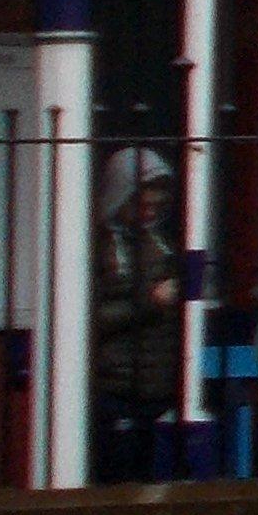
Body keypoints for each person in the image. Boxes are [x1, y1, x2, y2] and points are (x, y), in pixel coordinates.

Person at [89, 145, 186, 481]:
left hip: (157, 388)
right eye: (142, 204)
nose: (149, 213)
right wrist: (150, 303)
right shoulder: (97, 248)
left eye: (156, 206)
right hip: (116, 388)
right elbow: (91, 319)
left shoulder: (160, 245)